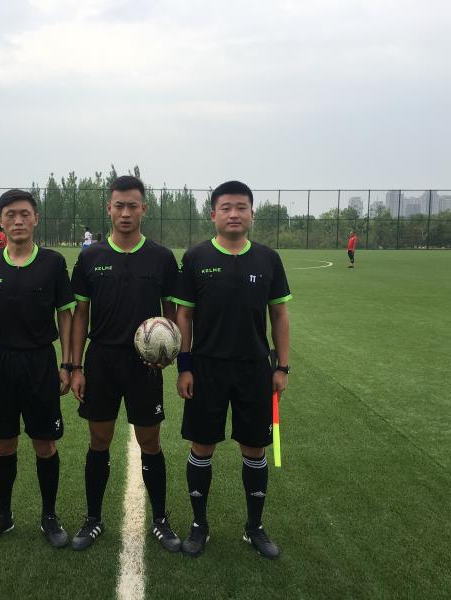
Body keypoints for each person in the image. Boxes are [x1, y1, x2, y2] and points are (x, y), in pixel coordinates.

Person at [172, 180, 291, 559]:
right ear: (213, 214)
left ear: (252, 213)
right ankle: (199, 526)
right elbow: (184, 315)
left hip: (254, 369)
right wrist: (184, 367)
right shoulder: (195, 257)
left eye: (241, 207)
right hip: (206, 368)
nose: (234, 214)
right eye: (226, 208)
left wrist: (282, 367)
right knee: (201, 445)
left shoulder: (268, 259)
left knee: (254, 448)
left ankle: (254, 527)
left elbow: (279, 314)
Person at [69, 175, 181, 552]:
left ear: (144, 209)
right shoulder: (90, 257)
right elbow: (80, 315)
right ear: (109, 209)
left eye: (133, 205)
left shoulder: (162, 258)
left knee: (150, 441)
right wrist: (76, 366)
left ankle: (161, 520)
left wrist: (168, 353)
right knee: (98, 439)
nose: (126, 212)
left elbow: (171, 313)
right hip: (101, 361)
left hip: (144, 366)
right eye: (119, 205)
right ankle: (93, 519)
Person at [0, 189, 76, 548]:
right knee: (4, 444)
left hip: (40, 362)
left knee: (44, 443)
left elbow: (66, 315)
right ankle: (3, 516)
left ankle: (49, 517)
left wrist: (67, 363)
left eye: (25, 214)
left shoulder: (53, 263)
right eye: (10, 214)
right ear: (0, 220)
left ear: (36, 219)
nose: (18, 220)